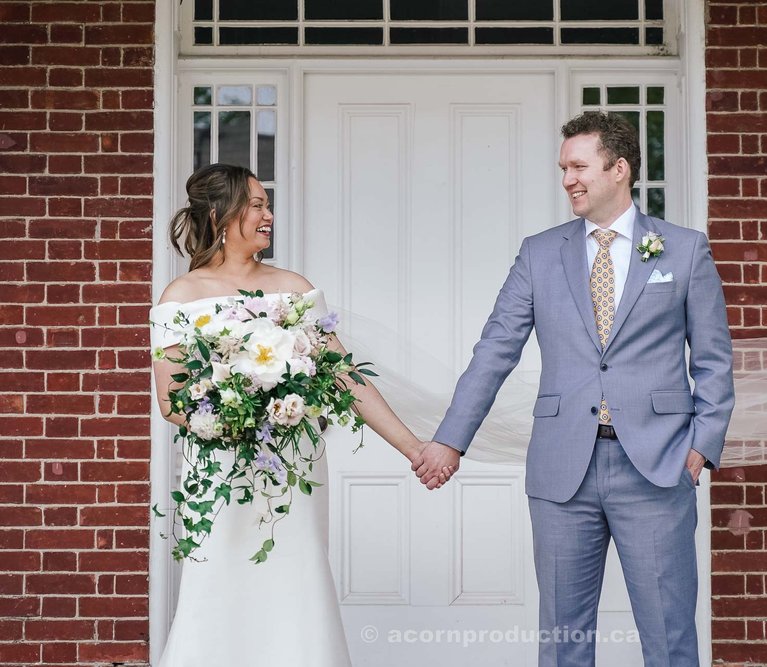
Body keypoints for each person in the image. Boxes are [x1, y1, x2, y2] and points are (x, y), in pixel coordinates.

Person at [412, 111, 735, 666]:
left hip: (657, 468)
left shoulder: (682, 250)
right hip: (563, 472)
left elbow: (713, 360)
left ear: (620, 170)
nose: (568, 180)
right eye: (563, 169)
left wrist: (701, 446)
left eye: (579, 166)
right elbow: (495, 351)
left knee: (669, 638)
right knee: (563, 641)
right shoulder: (540, 253)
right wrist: (450, 440)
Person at [149, 164, 449, 666]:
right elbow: (172, 401)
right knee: (218, 578)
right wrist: (243, 413)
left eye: (268, 205)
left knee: (296, 575)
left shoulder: (294, 290)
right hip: (221, 469)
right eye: (258, 205)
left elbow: (345, 378)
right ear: (222, 213)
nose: (269, 215)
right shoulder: (181, 298)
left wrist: (414, 448)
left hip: (292, 468)